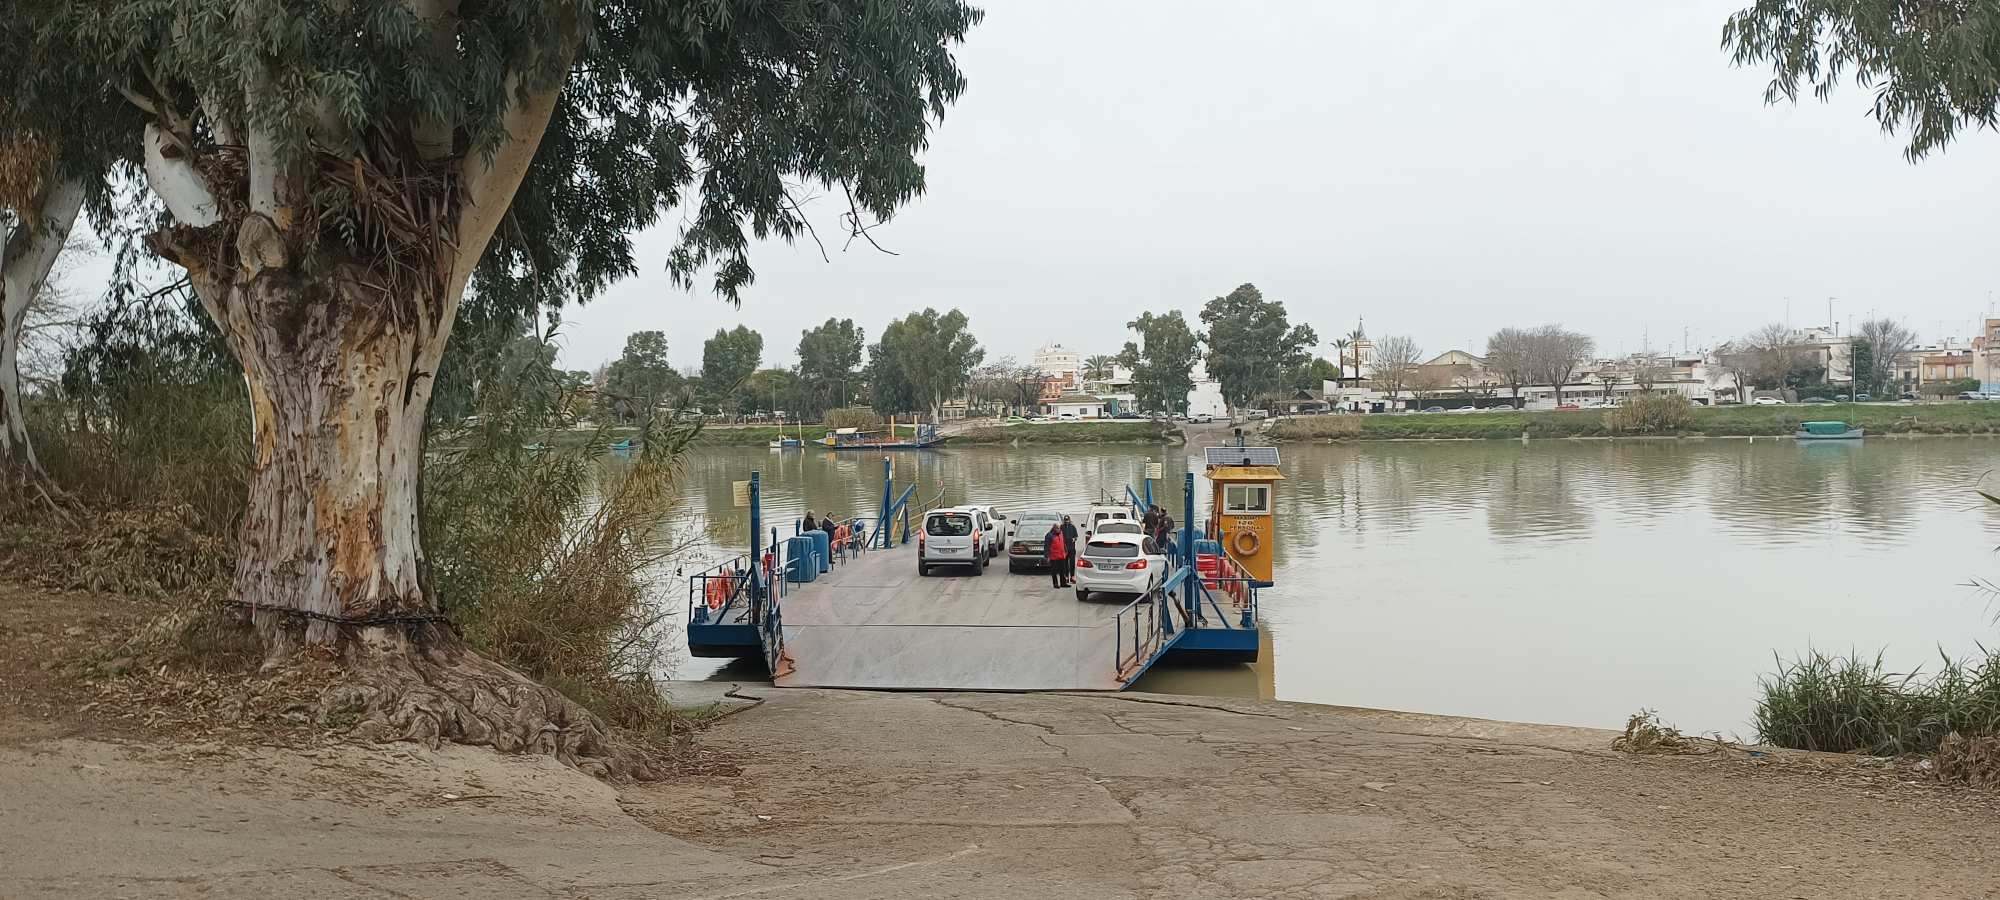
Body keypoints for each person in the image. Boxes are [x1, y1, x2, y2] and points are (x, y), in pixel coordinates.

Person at [1043, 523, 1069, 588]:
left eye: (1059, 528)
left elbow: (1063, 543)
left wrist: (1066, 551)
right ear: (1054, 528)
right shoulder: (1049, 535)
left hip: (1061, 555)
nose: (1059, 529)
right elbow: (1047, 546)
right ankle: (1055, 584)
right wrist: (1047, 556)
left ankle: (1063, 583)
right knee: (1054, 571)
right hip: (1054, 557)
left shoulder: (1061, 533)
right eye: (1057, 528)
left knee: (1063, 570)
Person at [1060, 515, 1080, 585]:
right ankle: (1066, 577)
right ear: (1064, 521)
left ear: (1069, 520)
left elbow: (1076, 536)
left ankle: (1072, 576)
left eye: (1067, 520)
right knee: (1065, 564)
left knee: (1072, 563)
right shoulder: (1061, 527)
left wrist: (1073, 539)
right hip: (1064, 549)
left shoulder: (1072, 527)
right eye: (1065, 520)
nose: (1066, 522)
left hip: (1072, 548)